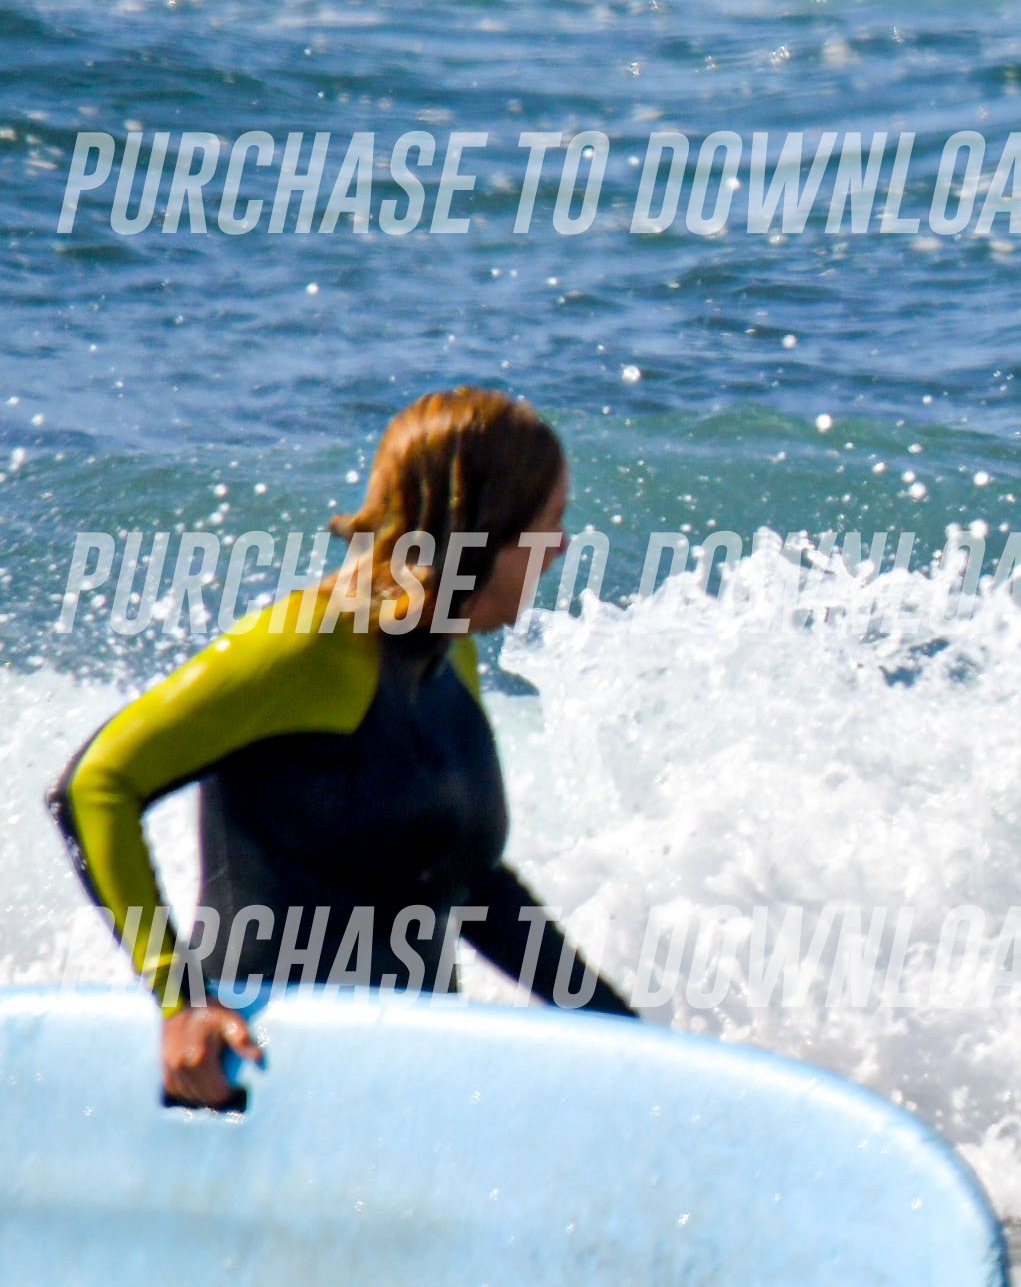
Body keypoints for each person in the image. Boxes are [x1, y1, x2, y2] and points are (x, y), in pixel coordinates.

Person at [48, 387, 638, 1110]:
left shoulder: (448, 655)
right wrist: (182, 999)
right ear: (485, 529)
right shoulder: (309, 645)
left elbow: (470, 886)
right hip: (258, 1082)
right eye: (549, 522)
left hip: (401, 1077)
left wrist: (622, 1036)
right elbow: (95, 785)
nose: (563, 547)